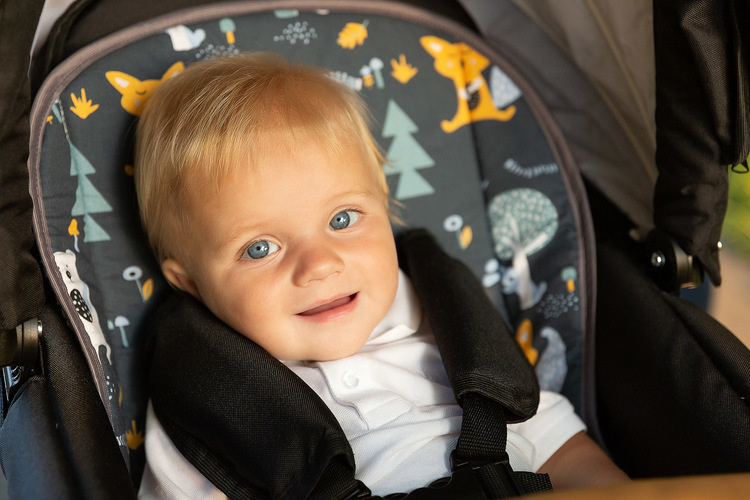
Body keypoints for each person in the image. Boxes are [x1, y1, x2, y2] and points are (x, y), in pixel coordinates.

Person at [134, 52, 628, 498]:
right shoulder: (213, 395)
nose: (320, 264)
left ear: (385, 209)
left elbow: (564, 451)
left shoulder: (448, 330)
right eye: (260, 248)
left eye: (342, 219)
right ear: (190, 282)